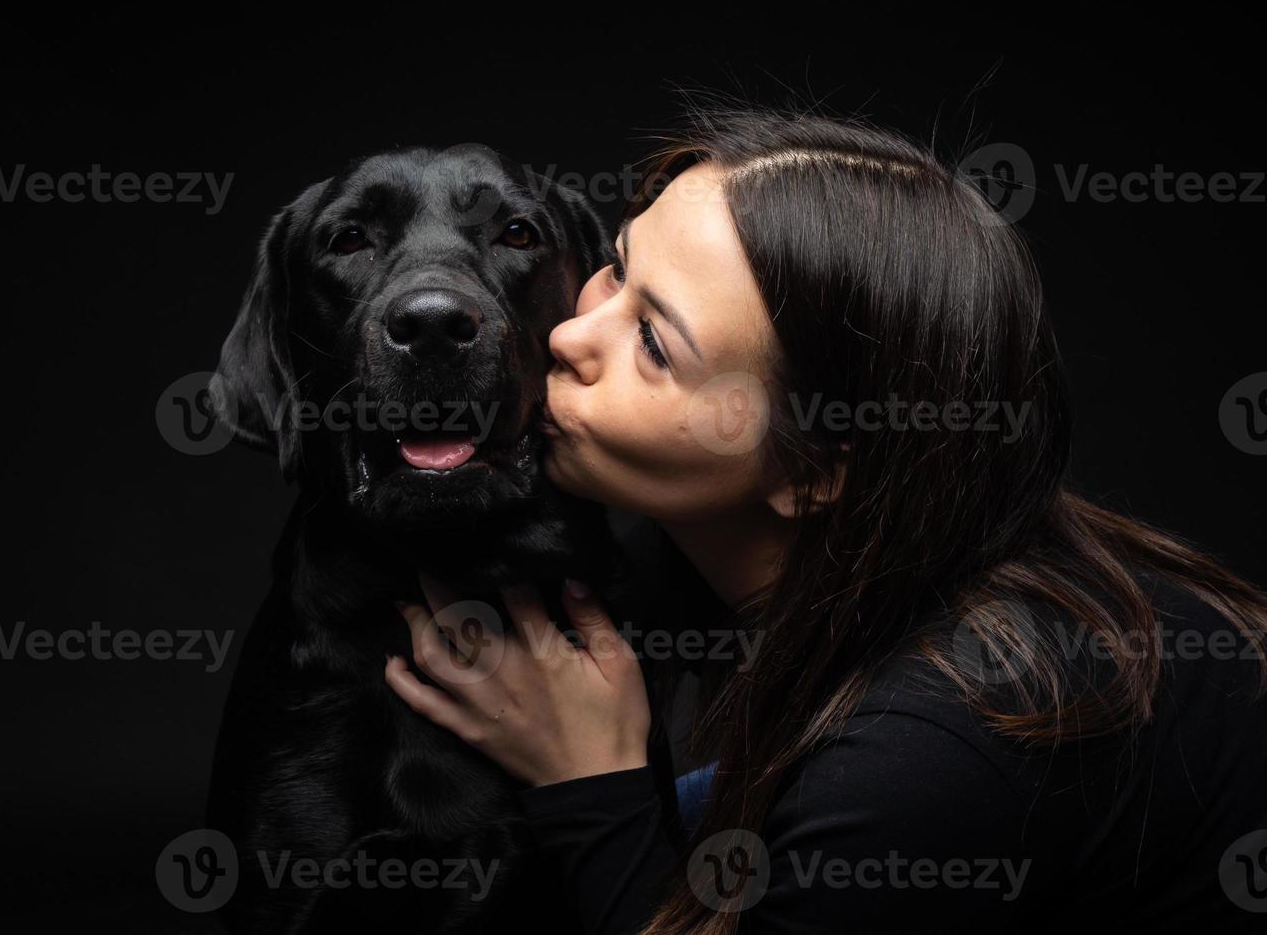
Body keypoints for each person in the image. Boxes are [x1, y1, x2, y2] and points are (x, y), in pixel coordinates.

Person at [382, 99, 1267, 933]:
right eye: (617, 266)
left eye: (652, 343)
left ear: (813, 472)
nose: (570, 339)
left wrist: (589, 783)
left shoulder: (932, 750)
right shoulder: (860, 555)